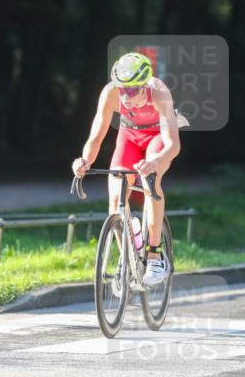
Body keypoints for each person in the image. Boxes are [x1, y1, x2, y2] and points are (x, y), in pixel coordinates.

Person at [72, 52, 184, 285]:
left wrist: (155, 162)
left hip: (157, 139)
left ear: (145, 85)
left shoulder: (160, 92)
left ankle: (154, 254)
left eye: (132, 90)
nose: (125, 95)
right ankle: (127, 259)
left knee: (149, 178)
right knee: (115, 199)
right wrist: (84, 160)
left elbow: (173, 145)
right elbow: (96, 135)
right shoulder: (110, 93)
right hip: (130, 138)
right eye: (122, 88)